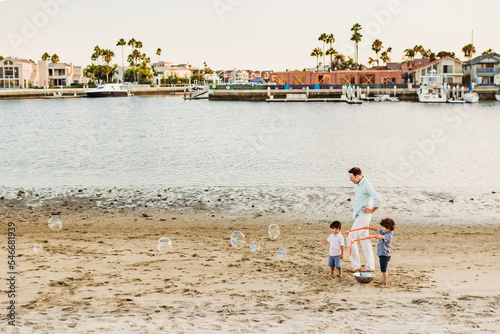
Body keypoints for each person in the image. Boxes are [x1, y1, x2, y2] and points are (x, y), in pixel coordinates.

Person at [347, 167, 382, 273]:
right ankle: (370, 266)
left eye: (351, 177)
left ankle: (355, 264)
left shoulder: (366, 185)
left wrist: (372, 210)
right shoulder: (359, 184)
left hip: (363, 216)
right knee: (364, 240)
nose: (350, 179)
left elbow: (378, 199)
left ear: (358, 176)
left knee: (351, 237)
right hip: (360, 215)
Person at [364, 217, 395, 288]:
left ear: (389, 228)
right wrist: (368, 227)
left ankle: (385, 284)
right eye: (382, 227)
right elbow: (377, 230)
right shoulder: (385, 231)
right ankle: (384, 281)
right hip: (382, 254)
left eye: (384, 227)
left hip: (385, 255)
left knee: (384, 270)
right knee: (383, 269)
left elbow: (380, 236)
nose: (382, 228)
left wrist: (372, 236)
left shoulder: (388, 235)